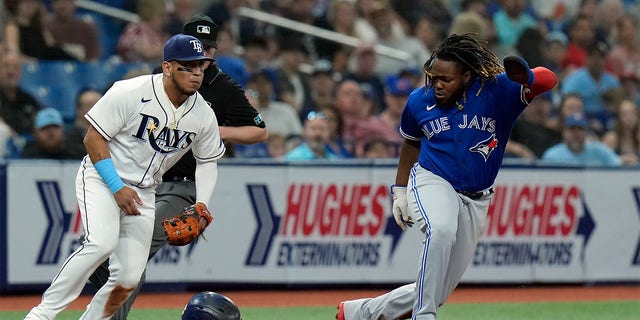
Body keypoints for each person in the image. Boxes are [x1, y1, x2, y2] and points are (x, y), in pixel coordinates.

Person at [337, 33, 558, 320]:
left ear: (467, 76)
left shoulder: (496, 90)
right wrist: (400, 190)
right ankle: (424, 316)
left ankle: (358, 313)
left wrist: (525, 75)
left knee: (437, 289)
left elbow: (548, 79)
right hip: (433, 179)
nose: (437, 84)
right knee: (440, 230)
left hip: (477, 198)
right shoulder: (420, 100)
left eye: (446, 79)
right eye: (433, 76)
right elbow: (411, 143)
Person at [24, 33, 224, 320]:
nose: (196, 73)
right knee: (100, 244)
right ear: (167, 67)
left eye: (201, 67)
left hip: (143, 191)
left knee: (129, 278)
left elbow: (207, 162)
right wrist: (116, 186)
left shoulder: (203, 114)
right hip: (103, 178)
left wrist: (202, 204)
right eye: (188, 66)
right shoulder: (131, 91)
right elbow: (93, 139)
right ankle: (41, 315)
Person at [85, 14, 267, 320]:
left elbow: (259, 131)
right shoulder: (162, 77)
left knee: (133, 257)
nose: (204, 55)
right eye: (199, 47)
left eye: (209, 48)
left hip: (182, 186)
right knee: (119, 260)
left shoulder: (222, 86)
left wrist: (215, 132)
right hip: (146, 182)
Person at [541, 112, 621, 166]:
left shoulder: (600, 151)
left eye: (580, 128)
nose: (576, 133)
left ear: (587, 132)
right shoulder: (552, 156)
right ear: (564, 132)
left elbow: (618, 163)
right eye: (572, 128)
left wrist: (626, 160)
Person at [20, 107, 84, 159]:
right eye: (45, 128)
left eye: (55, 127)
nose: (51, 132)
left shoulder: (77, 154)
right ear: (35, 132)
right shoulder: (28, 156)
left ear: (62, 129)